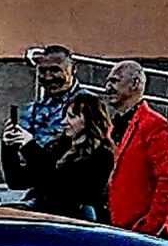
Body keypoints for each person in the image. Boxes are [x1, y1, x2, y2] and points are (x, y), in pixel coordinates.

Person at [8, 88, 116, 220]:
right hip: (45, 215)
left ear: (89, 120)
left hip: (74, 222)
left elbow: (61, 189)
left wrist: (30, 147)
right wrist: (10, 147)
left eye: (71, 117)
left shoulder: (102, 156)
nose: (64, 122)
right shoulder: (60, 146)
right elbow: (17, 180)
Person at [104, 61, 168, 237]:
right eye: (108, 81)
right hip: (119, 228)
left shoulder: (156, 126)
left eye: (115, 81)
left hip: (143, 232)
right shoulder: (114, 127)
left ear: (134, 84)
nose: (107, 87)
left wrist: (150, 227)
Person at [7, 44, 79, 155]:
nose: (48, 77)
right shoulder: (32, 109)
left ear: (73, 69)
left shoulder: (88, 105)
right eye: (43, 71)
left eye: (55, 70)